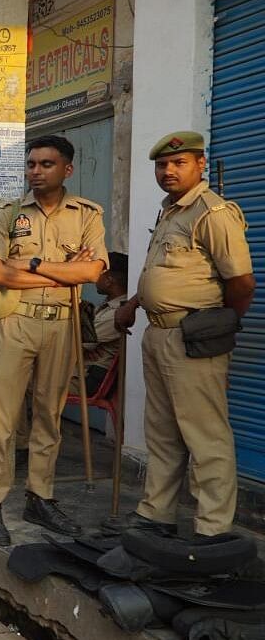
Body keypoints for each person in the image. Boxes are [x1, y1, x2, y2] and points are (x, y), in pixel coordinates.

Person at [112, 131, 253, 538]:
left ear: (200, 165)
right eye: (162, 165)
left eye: (179, 163)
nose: (169, 171)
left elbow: (241, 282)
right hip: (158, 335)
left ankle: (213, 529)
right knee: (161, 432)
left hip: (194, 336)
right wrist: (134, 302)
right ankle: (157, 514)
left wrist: (222, 325)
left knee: (205, 435)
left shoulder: (213, 213)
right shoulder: (171, 211)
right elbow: (167, 274)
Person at [0, 135, 107, 546]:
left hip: (62, 324)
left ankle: (40, 497)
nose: (35, 170)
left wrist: (30, 263)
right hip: (16, 322)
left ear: (67, 169)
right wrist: (60, 271)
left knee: (50, 417)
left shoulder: (87, 215)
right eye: (31, 163)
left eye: (46, 164)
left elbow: (93, 274)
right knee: (3, 419)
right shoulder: (7, 213)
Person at [79, 251, 128, 397]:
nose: (94, 279)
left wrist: (83, 348)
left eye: (98, 274)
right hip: (85, 370)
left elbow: (77, 343)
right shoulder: (107, 305)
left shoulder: (117, 312)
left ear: (109, 280)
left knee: (29, 380)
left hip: (91, 378)